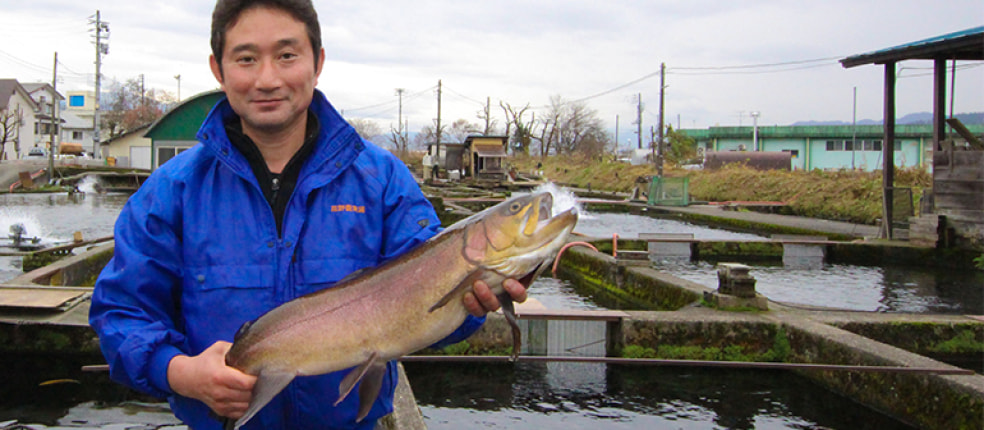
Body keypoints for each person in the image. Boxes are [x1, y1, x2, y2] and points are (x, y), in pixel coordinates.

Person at [88, 1, 526, 429]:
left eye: (286, 55)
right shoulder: (171, 192)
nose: (267, 78)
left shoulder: (383, 181)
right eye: (245, 58)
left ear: (317, 62)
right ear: (218, 69)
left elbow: (429, 310)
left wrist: (471, 308)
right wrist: (180, 372)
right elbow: (121, 313)